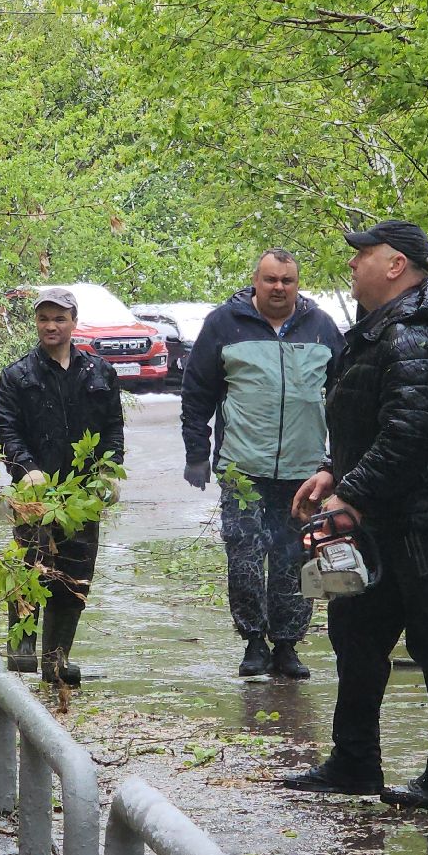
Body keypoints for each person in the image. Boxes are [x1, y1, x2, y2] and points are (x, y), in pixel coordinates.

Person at [281, 219, 428, 809]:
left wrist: (352, 494)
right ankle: (354, 764)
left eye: (362, 255)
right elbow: (370, 423)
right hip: (388, 518)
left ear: (395, 264)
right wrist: (332, 470)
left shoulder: (413, 337)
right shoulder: (384, 331)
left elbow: (409, 435)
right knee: (357, 636)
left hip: (423, 521)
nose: (352, 264)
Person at [180, 249, 345, 678]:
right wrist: (196, 453)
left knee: (294, 557)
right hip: (243, 468)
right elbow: (197, 392)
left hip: (303, 471)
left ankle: (287, 645)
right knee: (246, 555)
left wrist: (336, 464)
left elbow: (346, 399)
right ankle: (254, 642)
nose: (278, 288)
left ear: (297, 284)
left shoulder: (322, 327)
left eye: (287, 281)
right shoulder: (224, 324)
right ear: (255, 281)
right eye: (270, 280)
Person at [0, 287, 124, 687]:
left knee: (74, 578)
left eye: (59, 318)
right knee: (32, 570)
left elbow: (113, 428)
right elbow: (4, 430)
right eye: (44, 318)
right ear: (36, 322)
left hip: (82, 497)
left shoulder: (99, 372)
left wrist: (110, 470)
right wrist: (25, 468)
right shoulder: (17, 375)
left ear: (73, 322)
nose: (51, 325)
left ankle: (56, 661)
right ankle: (21, 649)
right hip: (35, 494)